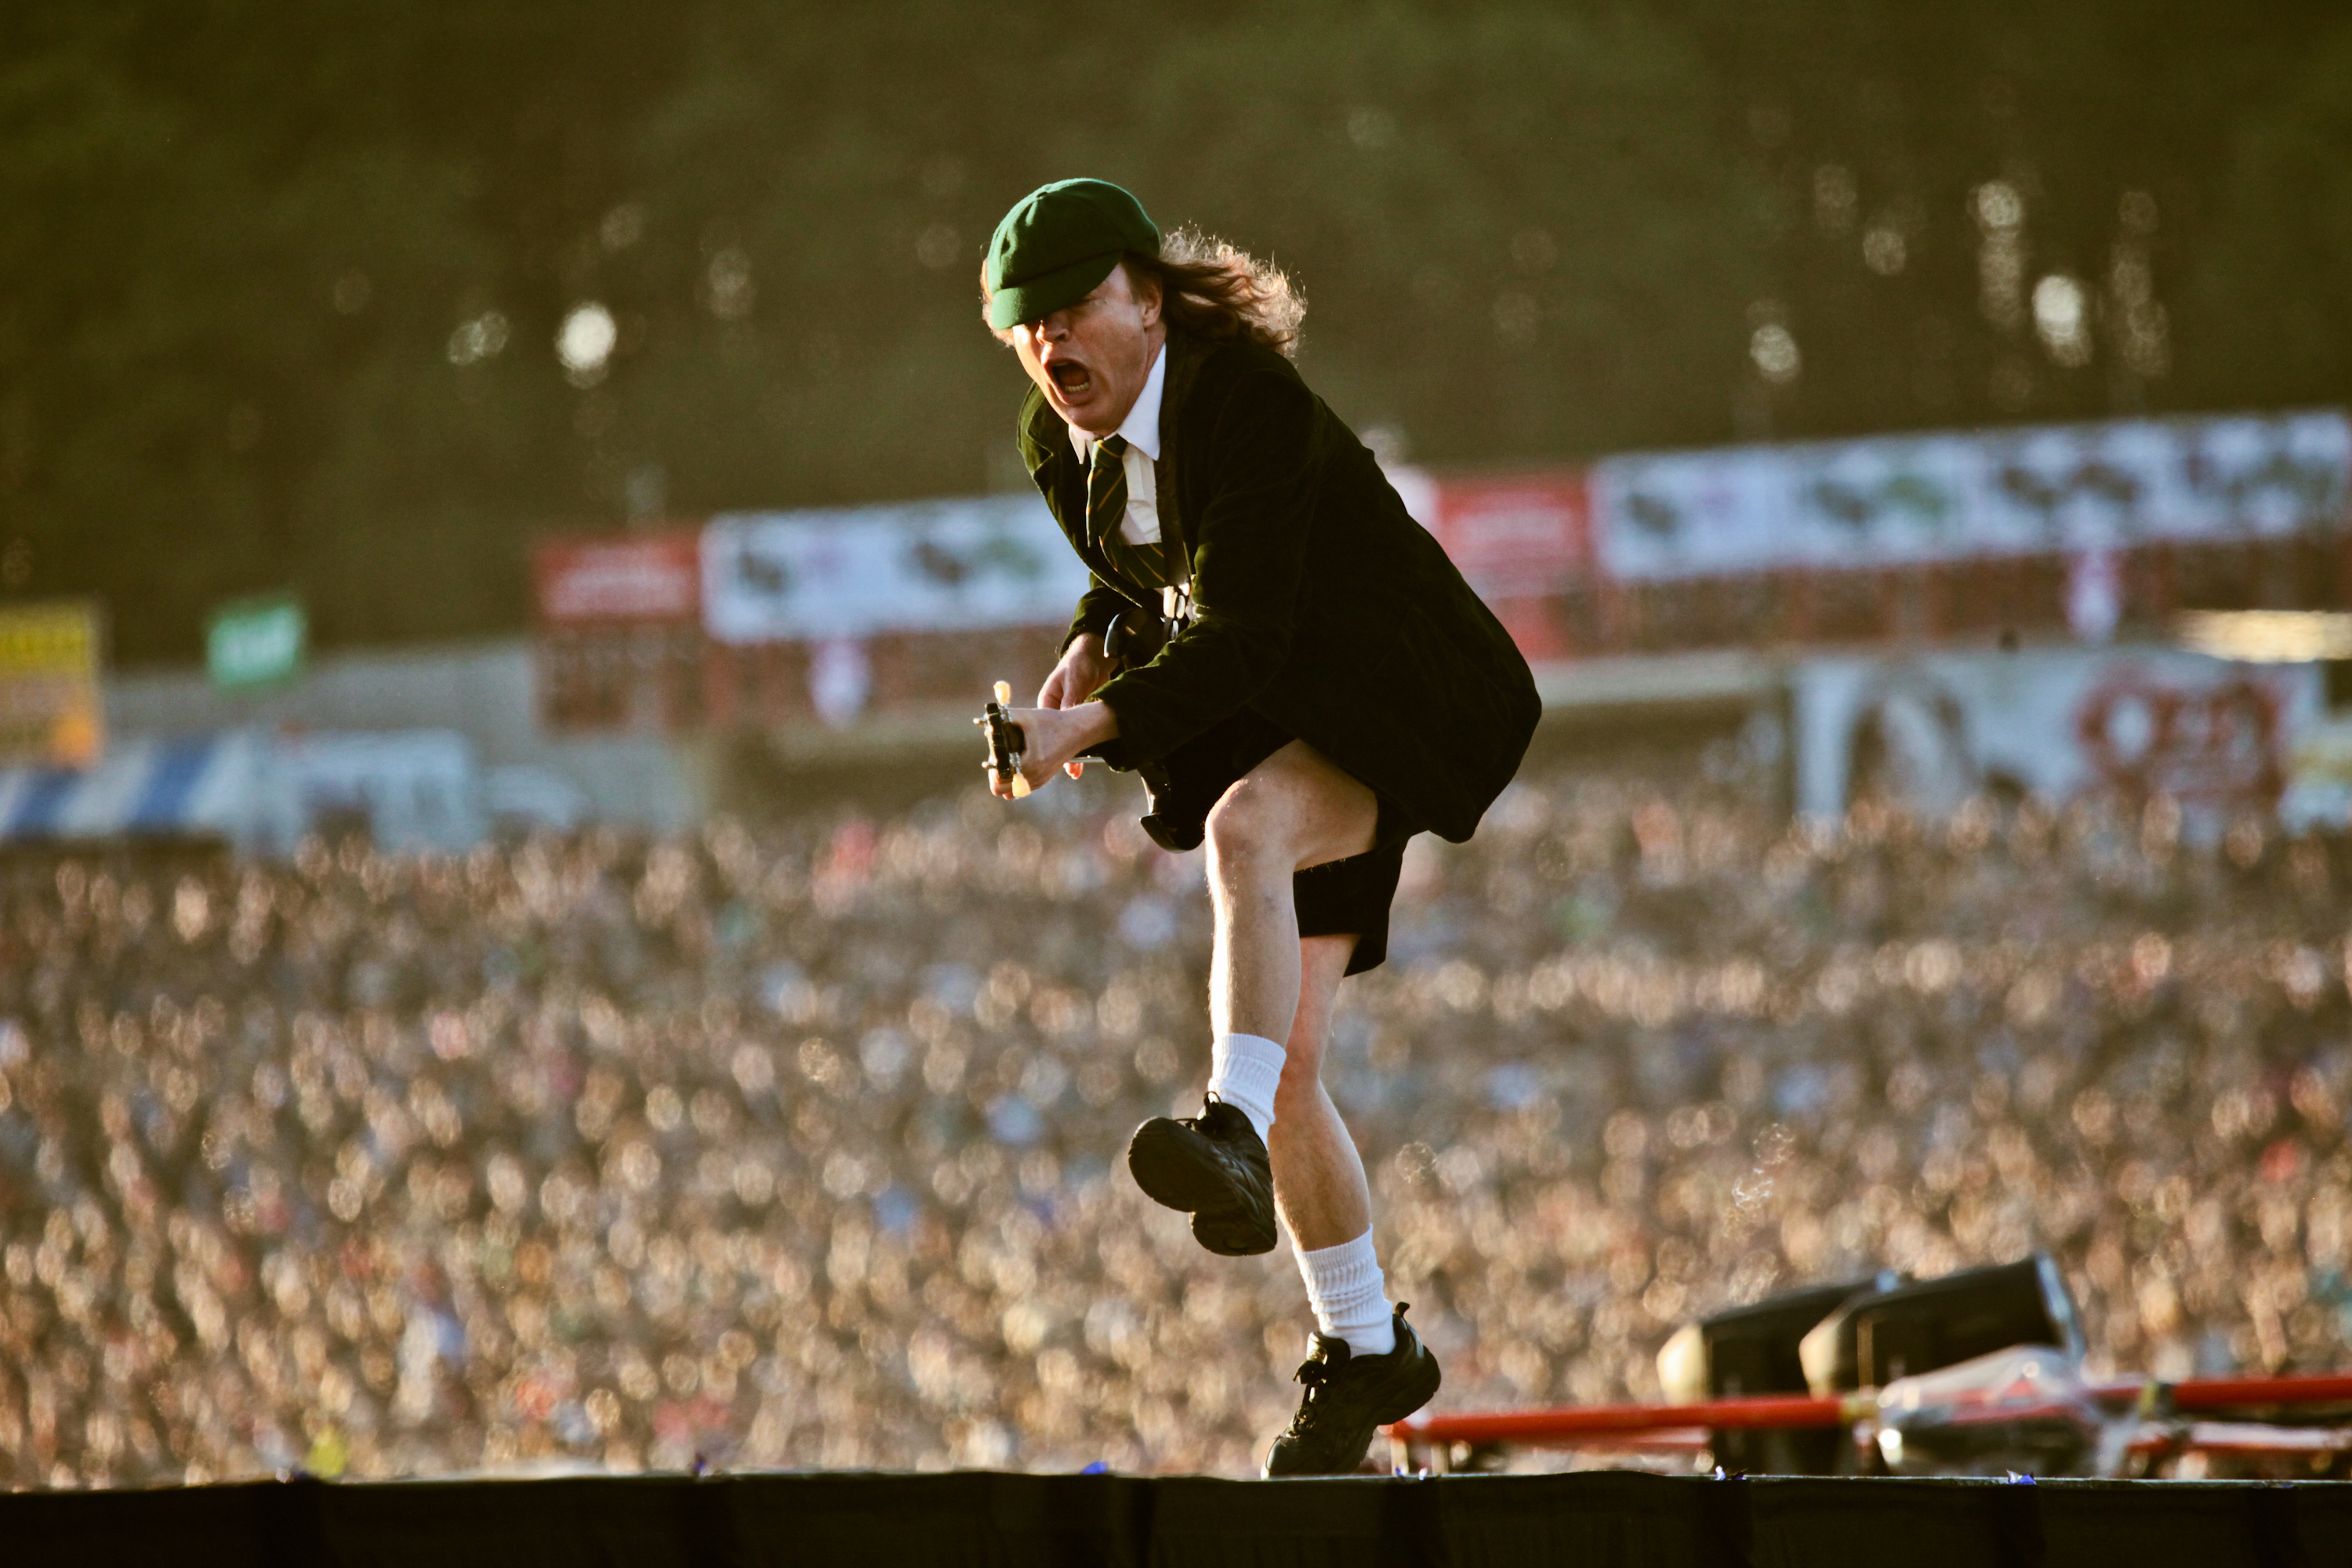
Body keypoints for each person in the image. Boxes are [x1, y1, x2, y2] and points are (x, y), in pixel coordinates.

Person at [977, 178, 1541, 1475]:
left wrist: (1088, 726)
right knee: (1295, 1067)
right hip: (1300, 703)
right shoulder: (1049, 439)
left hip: (1411, 696)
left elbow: (1239, 640)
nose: (1051, 348)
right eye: (1024, 327)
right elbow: (1139, 554)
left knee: (1241, 829)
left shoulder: (1247, 401)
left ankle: (1222, 1130)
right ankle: (1363, 1343)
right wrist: (1087, 640)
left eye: (1073, 312)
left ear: (1149, 301)